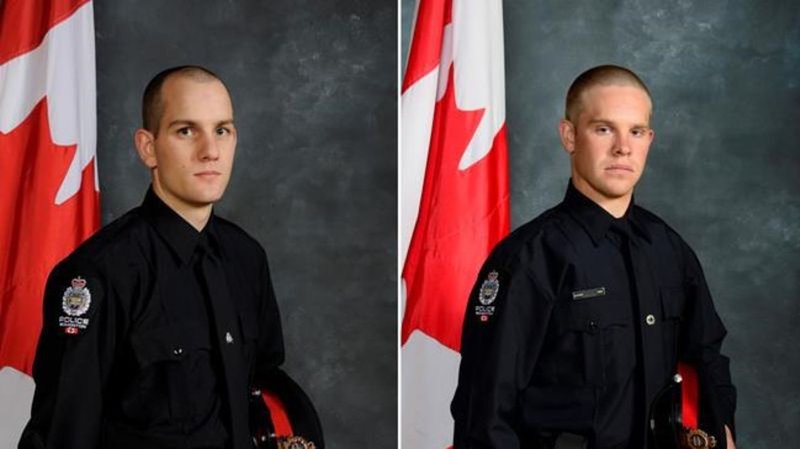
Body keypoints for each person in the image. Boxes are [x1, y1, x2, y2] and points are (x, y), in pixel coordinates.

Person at [451, 65, 736, 449]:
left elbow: (707, 358)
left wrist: (720, 430)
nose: (623, 147)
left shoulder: (670, 250)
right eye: (603, 129)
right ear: (569, 136)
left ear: (649, 140)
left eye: (636, 131)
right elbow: (485, 413)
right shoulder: (528, 259)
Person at [19, 66, 287, 449]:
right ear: (148, 147)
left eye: (222, 130)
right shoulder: (100, 274)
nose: (210, 151)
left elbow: (264, 387)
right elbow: (64, 433)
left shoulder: (247, 259)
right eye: (186, 131)